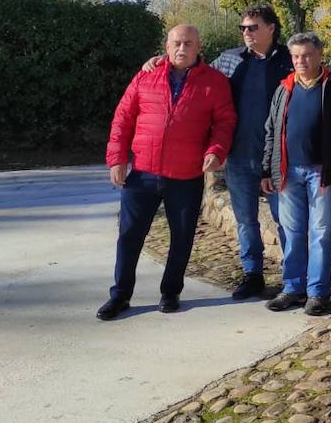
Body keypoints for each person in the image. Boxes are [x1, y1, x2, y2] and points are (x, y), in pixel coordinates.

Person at [141, 4, 295, 301]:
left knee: (284, 219)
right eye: (243, 28)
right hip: (240, 155)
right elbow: (193, 71)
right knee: (245, 220)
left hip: (279, 158)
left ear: (271, 28)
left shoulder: (290, 60)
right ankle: (253, 275)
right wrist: (164, 61)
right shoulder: (229, 60)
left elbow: (316, 76)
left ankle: (292, 279)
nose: (246, 33)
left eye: (252, 27)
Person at [98, 24, 237, 320]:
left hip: (186, 176)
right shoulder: (146, 75)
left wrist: (216, 150)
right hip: (143, 174)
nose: (182, 48)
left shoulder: (215, 82)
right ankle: (120, 295)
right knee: (129, 236)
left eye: (188, 43)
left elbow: (224, 123)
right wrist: (117, 158)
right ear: (167, 44)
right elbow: (123, 118)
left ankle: (170, 292)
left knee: (182, 236)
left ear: (199, 47)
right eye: (176, 43)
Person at [261, 32, 331, 316]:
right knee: (291, 232)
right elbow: (271, 131)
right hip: (287, 171)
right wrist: (266, 168)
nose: (301, 61)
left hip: (322, 172)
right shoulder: (284, 89)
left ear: (319, 55)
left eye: (307, 55)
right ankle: (292, 288)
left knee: (321, 233)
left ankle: (317, 293)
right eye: (296, 56)